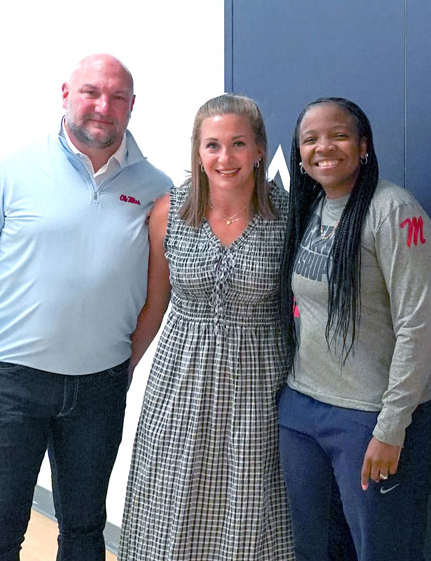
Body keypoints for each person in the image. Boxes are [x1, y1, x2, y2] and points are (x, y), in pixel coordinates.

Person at [0, 54, 172, 560]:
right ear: (65, 94)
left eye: (116, 97)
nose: (102, 106)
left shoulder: (156, 189)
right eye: (91, 92)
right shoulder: (11, 171)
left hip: (98, 391)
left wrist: (121, 366)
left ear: (132, 107)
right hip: (10, 385)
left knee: (86, 532)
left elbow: (158, 293)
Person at [119, 94, 294, 560]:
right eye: (212, 145)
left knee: (251, 509)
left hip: (258, 386)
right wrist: (122, 373)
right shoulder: (169, 211)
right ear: (197, 151)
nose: (225, 157)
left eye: (238, 144)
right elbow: (155, 306)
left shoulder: (289, 215)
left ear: (260, 149)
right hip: (179, 385)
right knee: (171, 506)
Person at [276, 97, 431, 561]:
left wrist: (391, 428)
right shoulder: (308, 209)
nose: (323, 147)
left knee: (383, 552)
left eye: (339, 135)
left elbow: (420, 323)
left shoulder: (394, 211)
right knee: (316, 552)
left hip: (370, 417)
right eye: (310, 139)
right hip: (303, 410)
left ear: (364, 145)